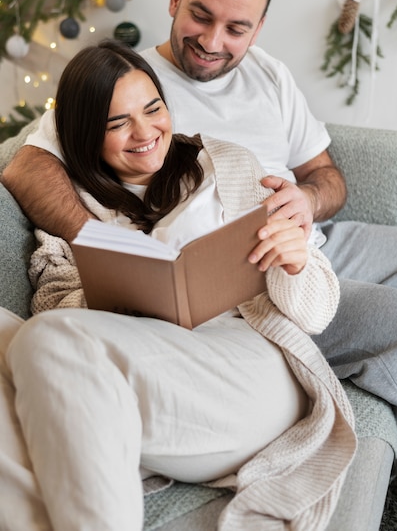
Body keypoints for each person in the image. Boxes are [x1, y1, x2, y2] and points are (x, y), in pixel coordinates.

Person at [2, 0, 397, 525]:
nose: (213, 41)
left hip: (291, 260)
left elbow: (327, 176)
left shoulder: (259, 95)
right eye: (201, 15)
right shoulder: (124, 80)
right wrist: (108, 246)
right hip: (208, 324)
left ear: (258, 28)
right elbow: (24, 164)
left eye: (236, 28)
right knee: (35, 339)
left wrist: (301, 206)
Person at [0, 40, 356, 531]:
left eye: (153, 108)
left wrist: (295, 264)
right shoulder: (73, 212)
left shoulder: (226, 165)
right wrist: (124, 286)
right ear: (84, 134)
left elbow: (316, 315)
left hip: (251, 366)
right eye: (117, 122)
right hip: (147, 370)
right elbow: (58, 309)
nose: (145, 132)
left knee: (45, 341)